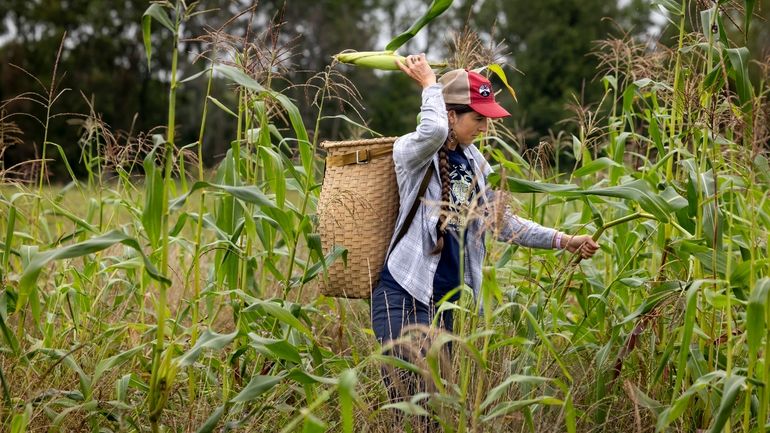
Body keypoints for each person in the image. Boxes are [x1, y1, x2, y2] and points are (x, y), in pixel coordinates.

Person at [370, 53, 600, 410]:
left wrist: (563, 240)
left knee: (432, 413)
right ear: (450, 115)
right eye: (478, 118)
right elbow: (432, 131)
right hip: (403, 297)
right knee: (408, 408)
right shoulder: (413, 152)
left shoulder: (474, 161)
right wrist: (430, 85)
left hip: (443, 304)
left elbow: (501, 221)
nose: (485, 128)